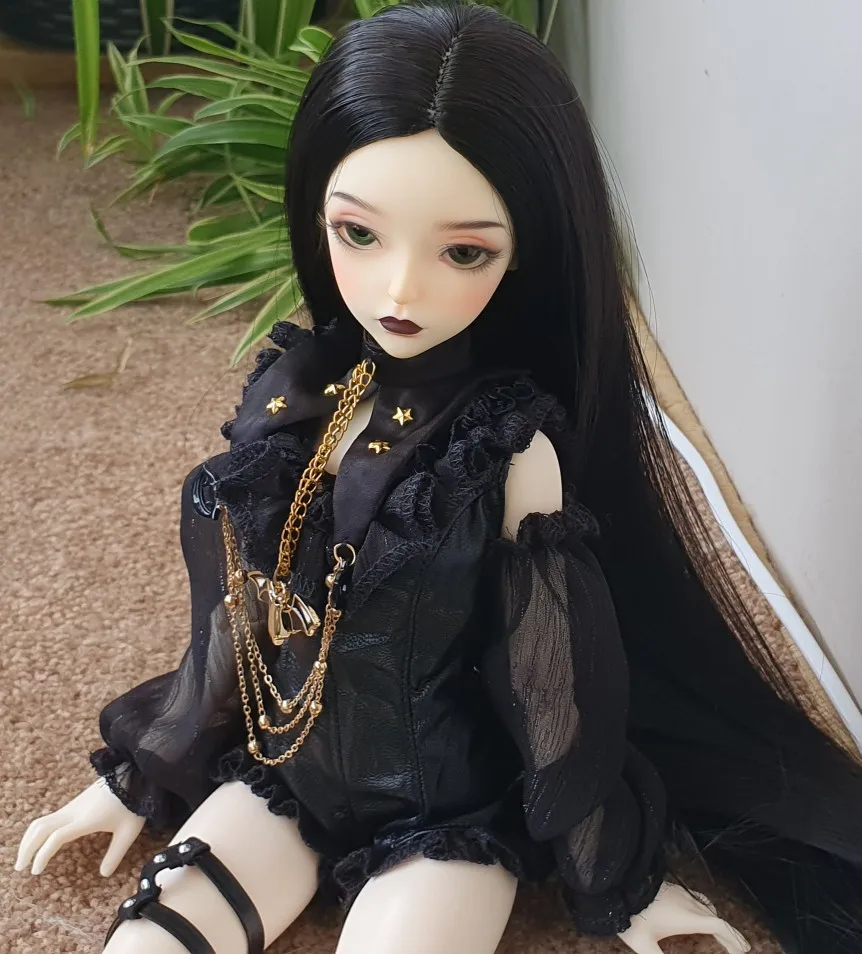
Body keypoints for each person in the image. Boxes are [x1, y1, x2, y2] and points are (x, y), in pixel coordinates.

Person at [15, 3, 862, 952]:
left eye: (464, 251)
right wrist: (144, 769)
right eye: (359, 234)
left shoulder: (503, 452)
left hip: (443, 814)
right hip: (283, 773)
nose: (401, 289)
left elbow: (554, 680)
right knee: (144, 944)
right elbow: (235, 616)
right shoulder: (291, 398)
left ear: (525, 248)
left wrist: (614, 876)